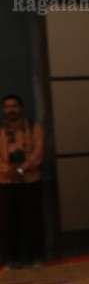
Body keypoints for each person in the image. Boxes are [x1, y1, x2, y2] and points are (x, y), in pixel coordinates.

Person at [0, 94, 45, 268]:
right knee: (7, 221)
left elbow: (38, 152)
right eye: (7, 107)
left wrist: (21, 169)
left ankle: (34, 256)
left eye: (14, 106)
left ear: (21, 108)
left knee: (32, 220)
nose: (11, 110)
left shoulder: (33, 127)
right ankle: (11, 258)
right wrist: (8, 170)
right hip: (5, 182)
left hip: (30, 180)